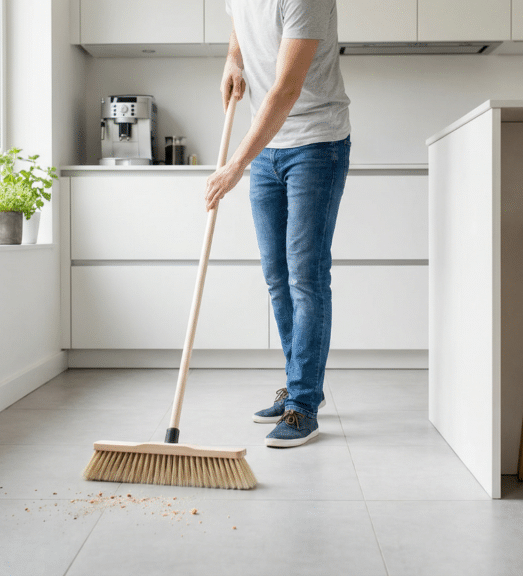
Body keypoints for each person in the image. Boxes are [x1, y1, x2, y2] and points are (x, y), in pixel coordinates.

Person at [205, 0, 351, 448]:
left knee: (306, 277)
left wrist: (233, 167)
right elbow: (239, 22)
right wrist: (234, 57)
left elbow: (287, 89)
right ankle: (298, 384)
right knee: (277, 278)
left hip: (315, 142)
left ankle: (303, 406)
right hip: (267, 148)